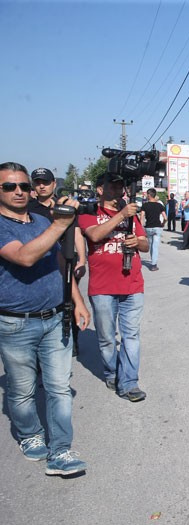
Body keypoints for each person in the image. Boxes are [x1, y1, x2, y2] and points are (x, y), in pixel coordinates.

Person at [0, 161, 91, 476]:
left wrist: (77, 301)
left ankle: (62, 450)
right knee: (23, 390)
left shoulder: (41, 221)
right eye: (9, 186)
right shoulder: (3, 226)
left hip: (55, 317)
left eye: (23, 186)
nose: (20, 192)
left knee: (59, 387)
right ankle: (29, 434)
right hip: (15, 323)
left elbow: (60, 266)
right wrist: (61, 223)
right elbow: (24, 257)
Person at [79, 172, 149, 402]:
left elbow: (145, 245)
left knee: (131, 336)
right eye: (114, 186)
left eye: (122, 186)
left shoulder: (132, 216)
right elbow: (95, 234)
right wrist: (121, 214)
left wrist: (136, 241)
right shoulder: (89, 213)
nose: (120, 190)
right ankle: (111, 372)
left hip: (132, 284)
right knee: (107, 337)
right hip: (102, 287)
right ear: (101, 190)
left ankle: (129, 382)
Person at [27, 167, 88, 357]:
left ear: (54, 184)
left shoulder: (65, 206)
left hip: (68, 259)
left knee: (71, 302)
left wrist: (83, 260)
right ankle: (41, 348)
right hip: (42, 264)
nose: (42, 186)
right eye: (37, 182)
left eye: (45, 182)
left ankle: (72, 338)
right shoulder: (29, 209)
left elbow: (77, 232)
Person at [141, 188, 166, 271]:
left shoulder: (145, 205)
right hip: (157, 227)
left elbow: (142, 217)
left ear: (149, 195)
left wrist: (141, 227)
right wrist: (163, 224)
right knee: (155, 246)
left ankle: (153, 261)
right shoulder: (159, 205)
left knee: (151, 245)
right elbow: (165, 217)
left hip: (148, 227)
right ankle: (153, 264)